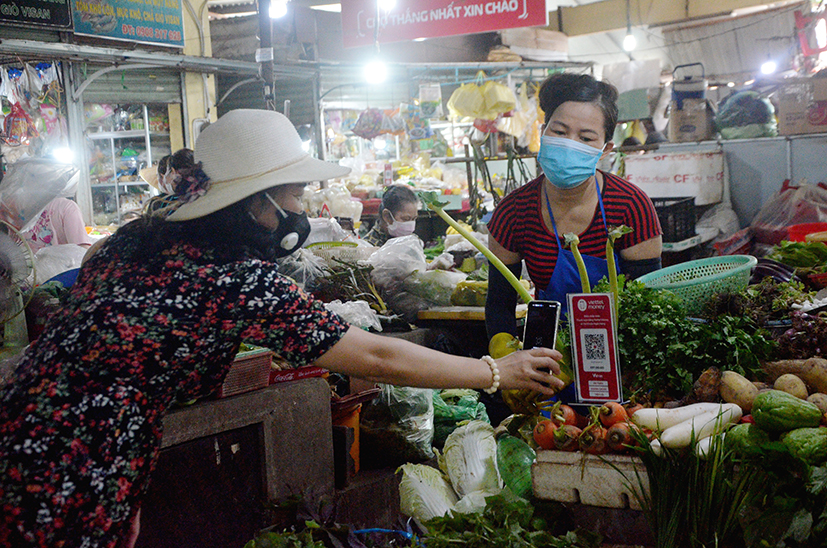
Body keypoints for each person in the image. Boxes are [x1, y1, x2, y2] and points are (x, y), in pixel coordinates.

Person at [0, 109, 564, 548]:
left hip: (23, 417)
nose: (302, 209)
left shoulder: (135, 236)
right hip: (77, 455)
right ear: (252, 201)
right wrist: (492, 370)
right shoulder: (233, 277)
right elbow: (374, 357)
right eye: (294, 195)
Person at [485, 73, 663, 339]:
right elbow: (500, 307)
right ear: (543, 133)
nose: (569, 144)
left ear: (605, 149)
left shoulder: (630, 206)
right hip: (549, 352)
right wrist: (505, 362)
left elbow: (650, 306)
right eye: (559, 132)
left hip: (621, 351)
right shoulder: (512, 213)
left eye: (586, 138)